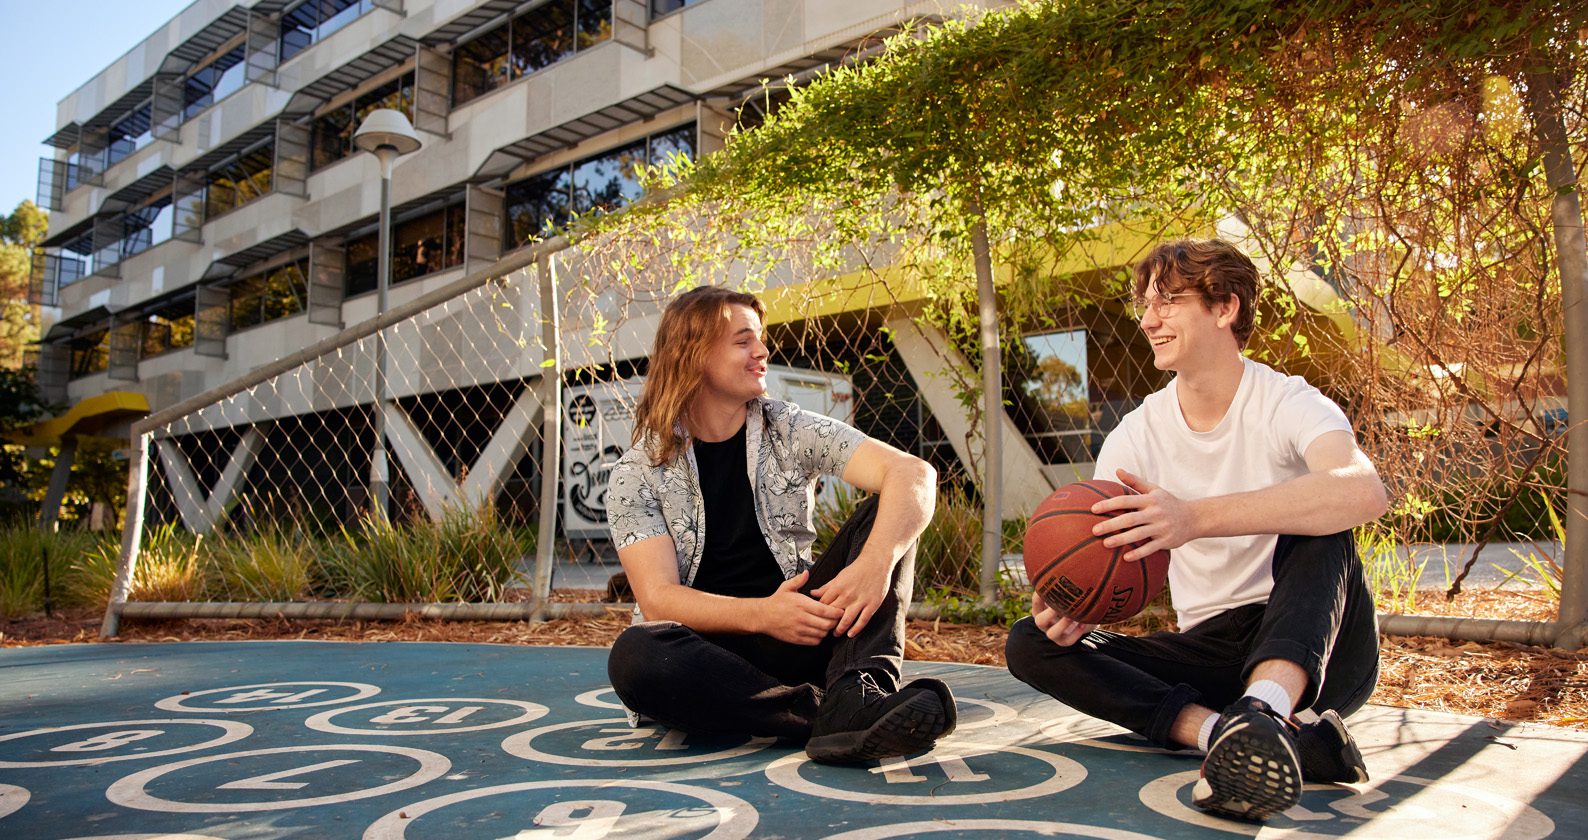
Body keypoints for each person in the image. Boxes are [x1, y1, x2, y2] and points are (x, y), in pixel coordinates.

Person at [1005, 239, 1387, 821]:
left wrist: (1192, 518)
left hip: (1321, 648)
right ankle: (1229, 736)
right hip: (1212, 650)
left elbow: (1362, 489)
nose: (1149, 319)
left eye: (1169, 301)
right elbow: (1108, 549)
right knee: (1031, 642)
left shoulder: (1287, 400)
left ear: (1225, 308)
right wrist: (1075, 600)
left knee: (1321, 518)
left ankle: (1264, 711)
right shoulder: (1137, 434)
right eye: (1144, 305)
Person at [605, 285, 956, 764]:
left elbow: (914, 473)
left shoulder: (786, 427)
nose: (762, 351)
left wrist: (876, 562)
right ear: (694, 354)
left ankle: (859, 691)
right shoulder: (637, 471)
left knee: (886, 516)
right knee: (636, 655)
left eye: (760, 338)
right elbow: (659, 598)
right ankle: (826, 715)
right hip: (710, 660)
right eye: (744, 340)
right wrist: (763, 614)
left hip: (804, 632)